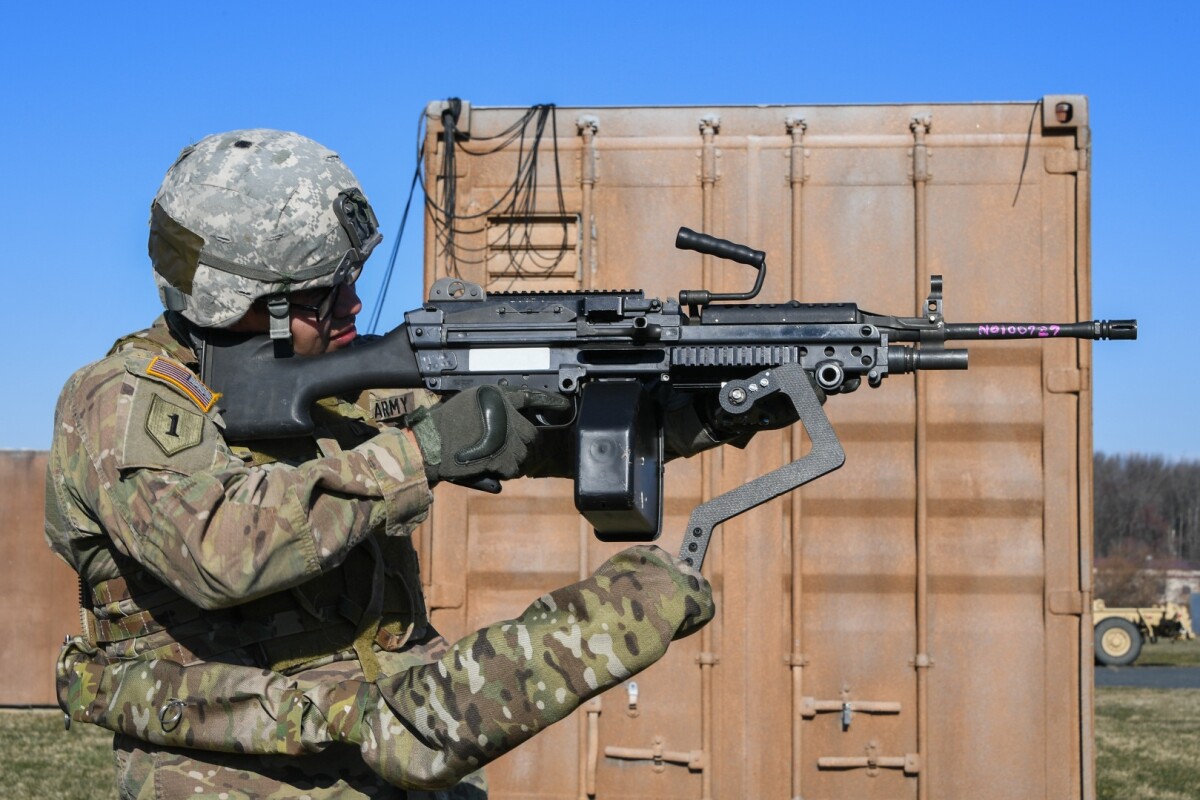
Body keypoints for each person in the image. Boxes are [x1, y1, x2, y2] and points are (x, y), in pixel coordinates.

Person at [45, 129, 788, 799]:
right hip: (232, 778)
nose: (354, 305)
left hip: (385, 762)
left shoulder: (327, 403)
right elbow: (221, 549)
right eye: (323, 295)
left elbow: (517, 437)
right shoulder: (118, 400)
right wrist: (425, 452)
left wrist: (710, 410)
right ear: (245, 299)